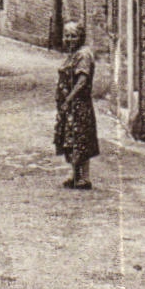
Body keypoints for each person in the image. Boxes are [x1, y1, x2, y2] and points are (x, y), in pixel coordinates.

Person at [54, 20, 99, 189]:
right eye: (67, 35)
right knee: (70, 139)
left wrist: (69, 99)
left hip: (79, 105)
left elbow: (82, 81)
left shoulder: (83, 55)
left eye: (73, 36)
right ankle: (74, 174)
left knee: (81, 138)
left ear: (80, 37)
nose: (69, 39)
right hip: (70, 106)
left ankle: (84, 177)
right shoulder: (73, 54)